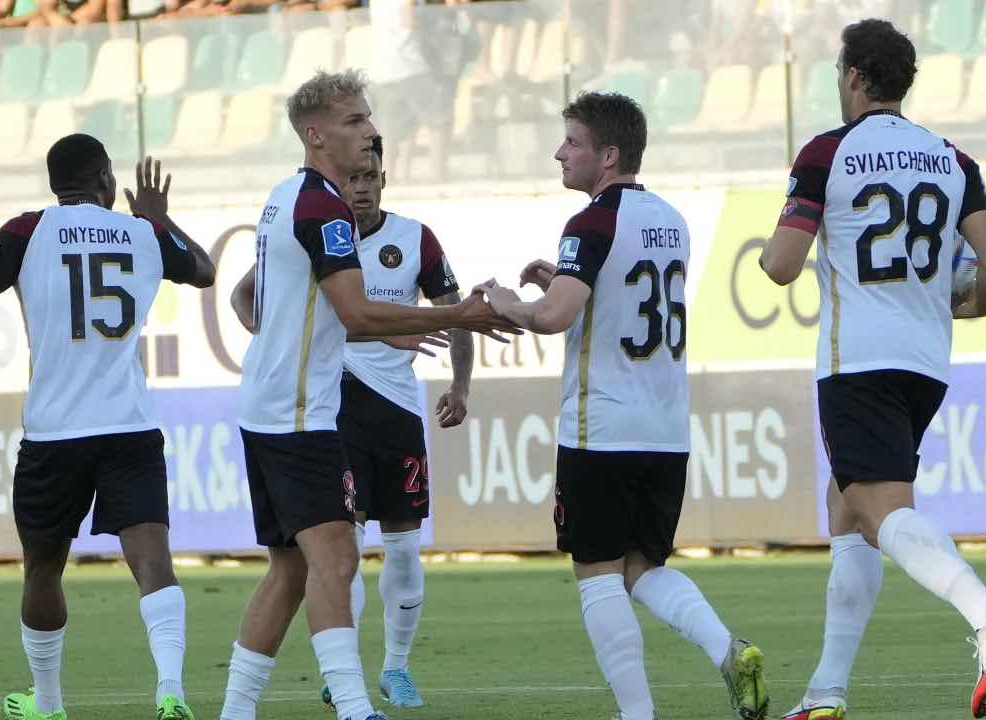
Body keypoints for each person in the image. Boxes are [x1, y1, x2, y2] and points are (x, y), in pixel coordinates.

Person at [216, 69, 514, 720]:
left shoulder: (286, 195)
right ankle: (356, 708)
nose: (371, 131)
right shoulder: (322, 207)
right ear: (317, 134)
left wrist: (407, 324)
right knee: (336, 555)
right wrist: (452, 317)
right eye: (355, 121)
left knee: (292, 569)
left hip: (268, 406)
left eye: (369, 119)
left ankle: (236, 713)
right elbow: (356, 314)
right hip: (298, 416)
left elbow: (306, 308)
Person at [0, 137, 215, 720]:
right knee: (153, 561)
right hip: (127, 429)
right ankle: (171, 691)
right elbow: (205, 271)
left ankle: (51, 703)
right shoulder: (142, 232)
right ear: (105, 179)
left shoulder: (27, 230)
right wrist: (161, 218)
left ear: (57, 183)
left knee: (42, 567)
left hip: (54, 434)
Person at [758, 19, 986, 720]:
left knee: (881, 515)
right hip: (925, 364)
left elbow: (782, 266)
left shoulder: (828, 151)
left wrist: (776, 246)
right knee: (846, 509)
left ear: (853, 76)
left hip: (858, 363)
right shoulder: (952, 159)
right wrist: (966, 306)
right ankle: (825, 691)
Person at [478, 91, 770, 720]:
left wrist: (506, 302)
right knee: (643, 569)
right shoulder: (673, 219)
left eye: (573, 142)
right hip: (665, 429)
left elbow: (556, 317)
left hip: (601, 429)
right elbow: (615, 293)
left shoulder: (591, 221)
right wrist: (559, 274)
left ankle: (637, 715)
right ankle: (727, 648)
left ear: (607, 156)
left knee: (599, 575)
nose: (560, 151)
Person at [315, 135, 473, 710]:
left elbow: (455, 312)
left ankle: (396, 669)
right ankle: (343, 674)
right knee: (346, 549)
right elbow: (256, 301)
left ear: (384, 180)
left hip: (400, 410)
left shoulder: (414, 238)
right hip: (336, 409)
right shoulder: (320, 235)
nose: (360, 188)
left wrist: (460, 385)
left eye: (369, 177)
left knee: (404, 549)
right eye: (352, 178)